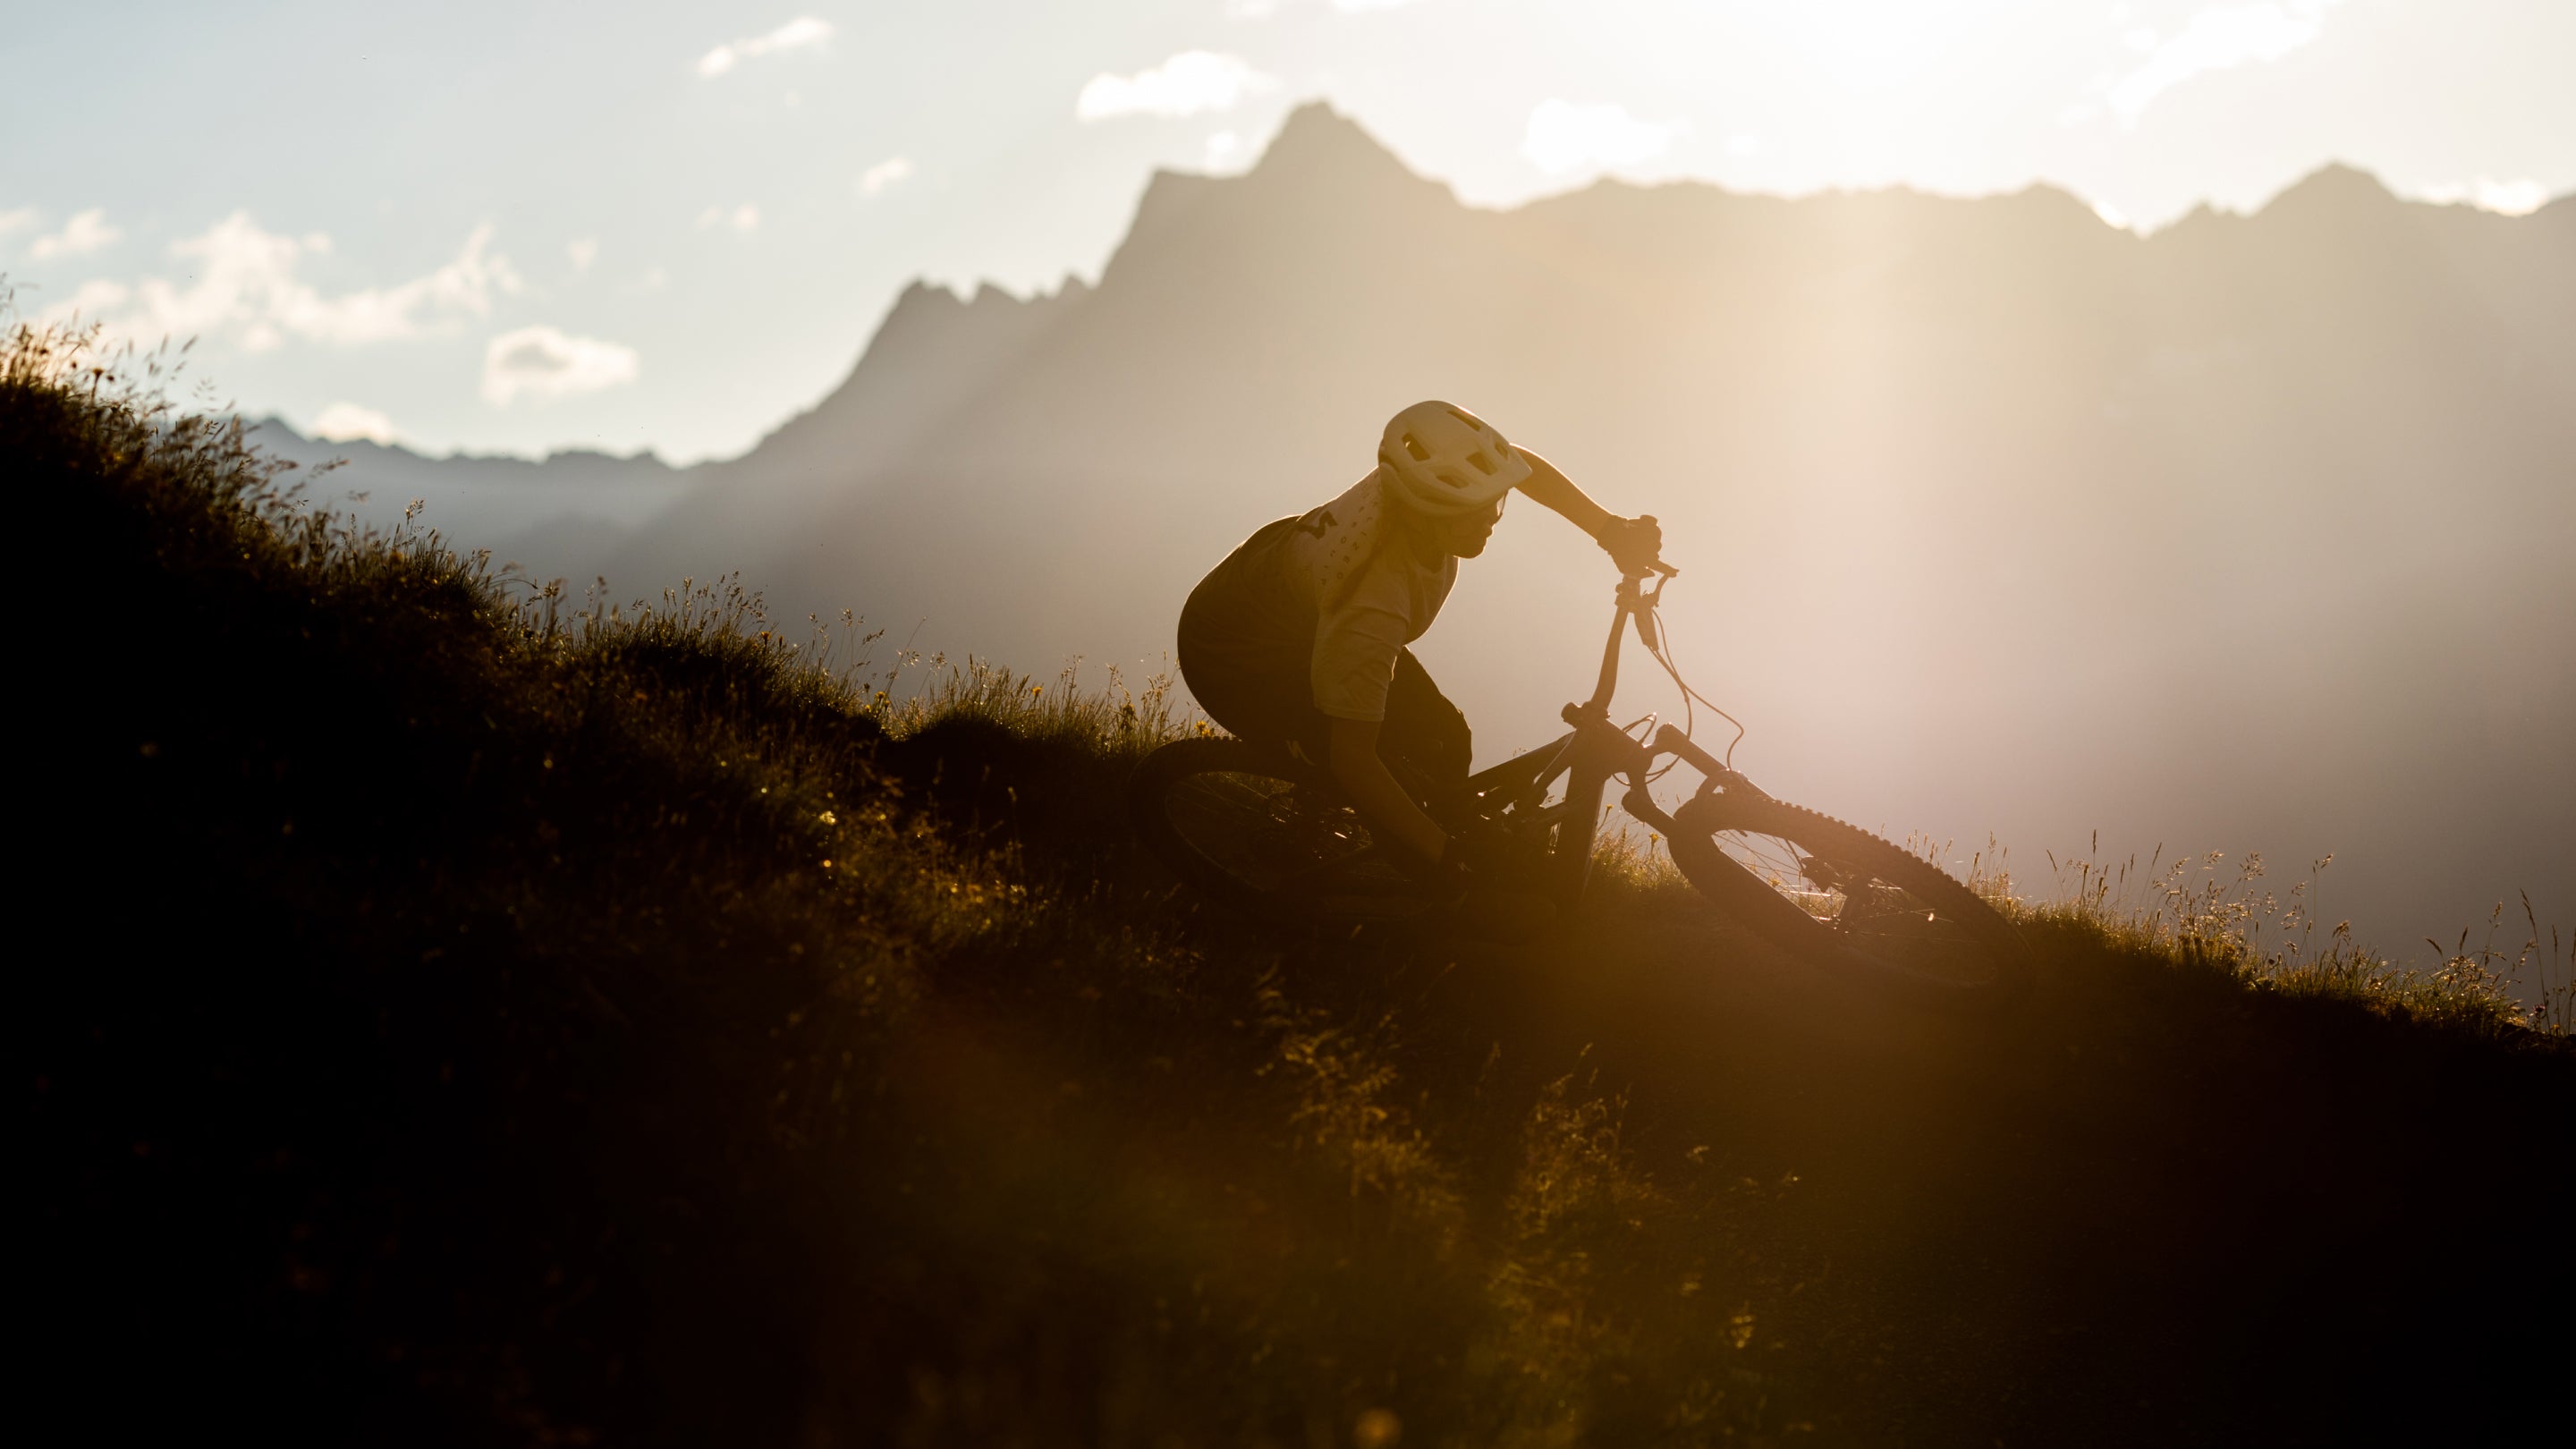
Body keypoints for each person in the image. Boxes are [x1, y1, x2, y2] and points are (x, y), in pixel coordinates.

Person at [1176, 401, 1665, 884]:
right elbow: (1355, 758)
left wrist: (1609, 529)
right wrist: (1448, 860)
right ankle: (1426, 882)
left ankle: (1429, 830)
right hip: (1237, 661)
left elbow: (1519, 466)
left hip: (1277, 600)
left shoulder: (1421, 495)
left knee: (1446, 740)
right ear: (1428, 512)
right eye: (1475, 513)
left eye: (1494, 502)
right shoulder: (1374, 598)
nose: (1492, 519)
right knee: (1382, 778)